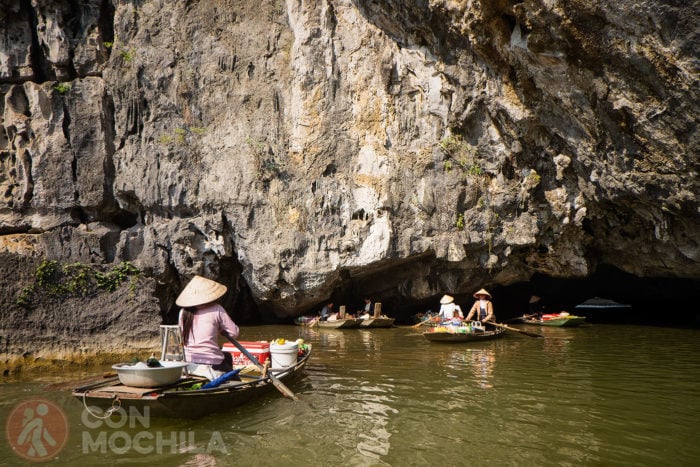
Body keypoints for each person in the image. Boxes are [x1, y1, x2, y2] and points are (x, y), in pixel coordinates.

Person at [177, 275, 239, 379]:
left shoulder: (183, 312)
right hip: (211, 361)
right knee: (228, 359)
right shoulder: (217, 309)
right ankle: (234, 384)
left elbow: (181, 334)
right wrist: (220, 329)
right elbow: (234, 333)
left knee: (226, 355)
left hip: (187, 360)